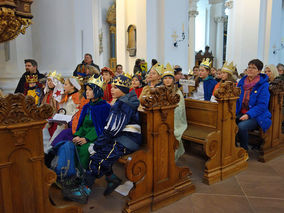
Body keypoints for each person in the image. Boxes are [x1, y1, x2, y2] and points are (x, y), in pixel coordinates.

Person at [64, 75, 141, 203]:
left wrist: (96, 145)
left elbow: (111, 129)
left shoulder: (123, 104)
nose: (111, 89)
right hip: (121, 137)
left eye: (116, 87)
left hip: (128, 140)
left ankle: (85, 191)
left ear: (124, 89)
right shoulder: (121, 101)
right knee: (101, 154)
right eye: (112, 86)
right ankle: (112, 178)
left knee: (98, 158)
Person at [236, 59, 271, 151]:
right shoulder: (241, 83)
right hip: (241, 112)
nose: (250, 70)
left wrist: (248, 114)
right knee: (227, 122)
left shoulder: (263, 85)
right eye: (249, 67)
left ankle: (244, 150)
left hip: (257, 115)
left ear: (259, 71)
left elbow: (262, 105)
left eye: (254, 68)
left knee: (241, 126)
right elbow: (236, 100)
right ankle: (233, 148)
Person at [162, 64, 187, 160]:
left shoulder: (177, 91)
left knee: (173, 133)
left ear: (173, 80)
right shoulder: (161, 90)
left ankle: (171, 159)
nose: (167, 80)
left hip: (175, 120)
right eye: (165, 78)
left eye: (169, 78)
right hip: (163, 117)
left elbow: (179, 109)